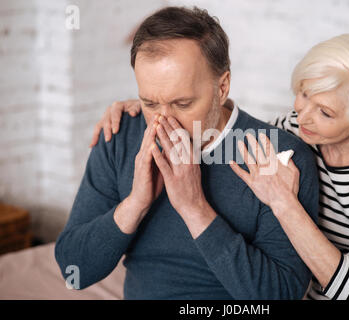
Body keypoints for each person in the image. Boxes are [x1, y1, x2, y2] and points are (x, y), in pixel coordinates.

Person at [94, 33, 349, 299]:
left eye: (325, 112)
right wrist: (153, 107)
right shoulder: (296, 128)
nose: (303, 115)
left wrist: (283, 202)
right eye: (304, 94)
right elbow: (224, 133)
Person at [55, 6, 319, 300]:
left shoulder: (279, 156)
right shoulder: (119, 135)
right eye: (150, 103)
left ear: (222, 87)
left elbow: (281, 294)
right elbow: (72, 270)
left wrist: (195, 209)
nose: (163, 121)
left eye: (182, 104)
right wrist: (135, 204)